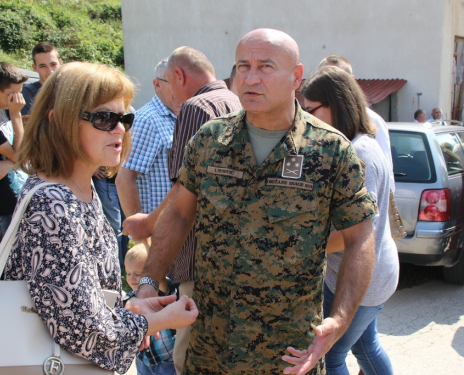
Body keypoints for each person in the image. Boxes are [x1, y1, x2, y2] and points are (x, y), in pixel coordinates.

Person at [130, 28, 376, 374]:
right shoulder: (211, 139)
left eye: (266, 67)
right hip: (210, 345)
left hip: (288, 353)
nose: (251, 77)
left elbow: (360, 237)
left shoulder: (331, 150)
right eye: (243, 66)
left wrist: (340, 319)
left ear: (296, 77)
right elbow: (180, 214)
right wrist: (147, 282)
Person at [4, 61, 198, 373]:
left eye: (125, 118)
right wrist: (153, 321)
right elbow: (84, 330)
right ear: (59, 122)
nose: (120, 128)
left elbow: (78, 296)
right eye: (104, 118)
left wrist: (128, 308)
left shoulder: (81, 188)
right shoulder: (55, 199)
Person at [122, 46, 241, 375]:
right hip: (228, 262)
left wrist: (146, 225)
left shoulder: (196, 106)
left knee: (187, 361)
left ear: (178, 75)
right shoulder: (233, 101)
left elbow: (182, 190)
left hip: (194, 258)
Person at [302, 65, 399, 375]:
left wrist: (303, 246)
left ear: (336, 104)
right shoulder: (351, 146)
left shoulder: (360, 155)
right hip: (362, 272)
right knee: (365, 345)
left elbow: (352, 232)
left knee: (329, 355)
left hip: (365, 277)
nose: (307, 121)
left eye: (311, 111)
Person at [116, 58, 181, 217]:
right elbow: (124, 179)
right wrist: (140, 232)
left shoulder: (179, 117)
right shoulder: (147, 120)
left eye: (183, 83)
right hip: (156, 231)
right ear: (157, 84)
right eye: (173, 83)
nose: (180, 90)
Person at [319, 55, 395, 192]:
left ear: (352, 81)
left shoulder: (372, 120)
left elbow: (385, 173)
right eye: (324, 79)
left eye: (338, 79)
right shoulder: (314, 117)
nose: (329, 86)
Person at [124, 243, 176, 375]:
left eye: (137, 273)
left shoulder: (160, 291)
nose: (131, 278)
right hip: (143, 360)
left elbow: (160, 274)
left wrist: (146, 244)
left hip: (166, 360)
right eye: (128, 273)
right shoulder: (131, 299)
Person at [0, 62, 27, 238]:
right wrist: (16, 115)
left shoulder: (3, 112)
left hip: (10, 202)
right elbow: (18, 155)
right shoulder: (10, 113)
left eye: (20, 92)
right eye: (12, 94)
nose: (17, 99)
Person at [21, 42, 62, 117]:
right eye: (43, 66)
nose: (50, 71)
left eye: (53, 64)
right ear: (35, 68)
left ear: (60, 63)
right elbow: (30, 126)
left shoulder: (71, 89)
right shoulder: (28, 92)